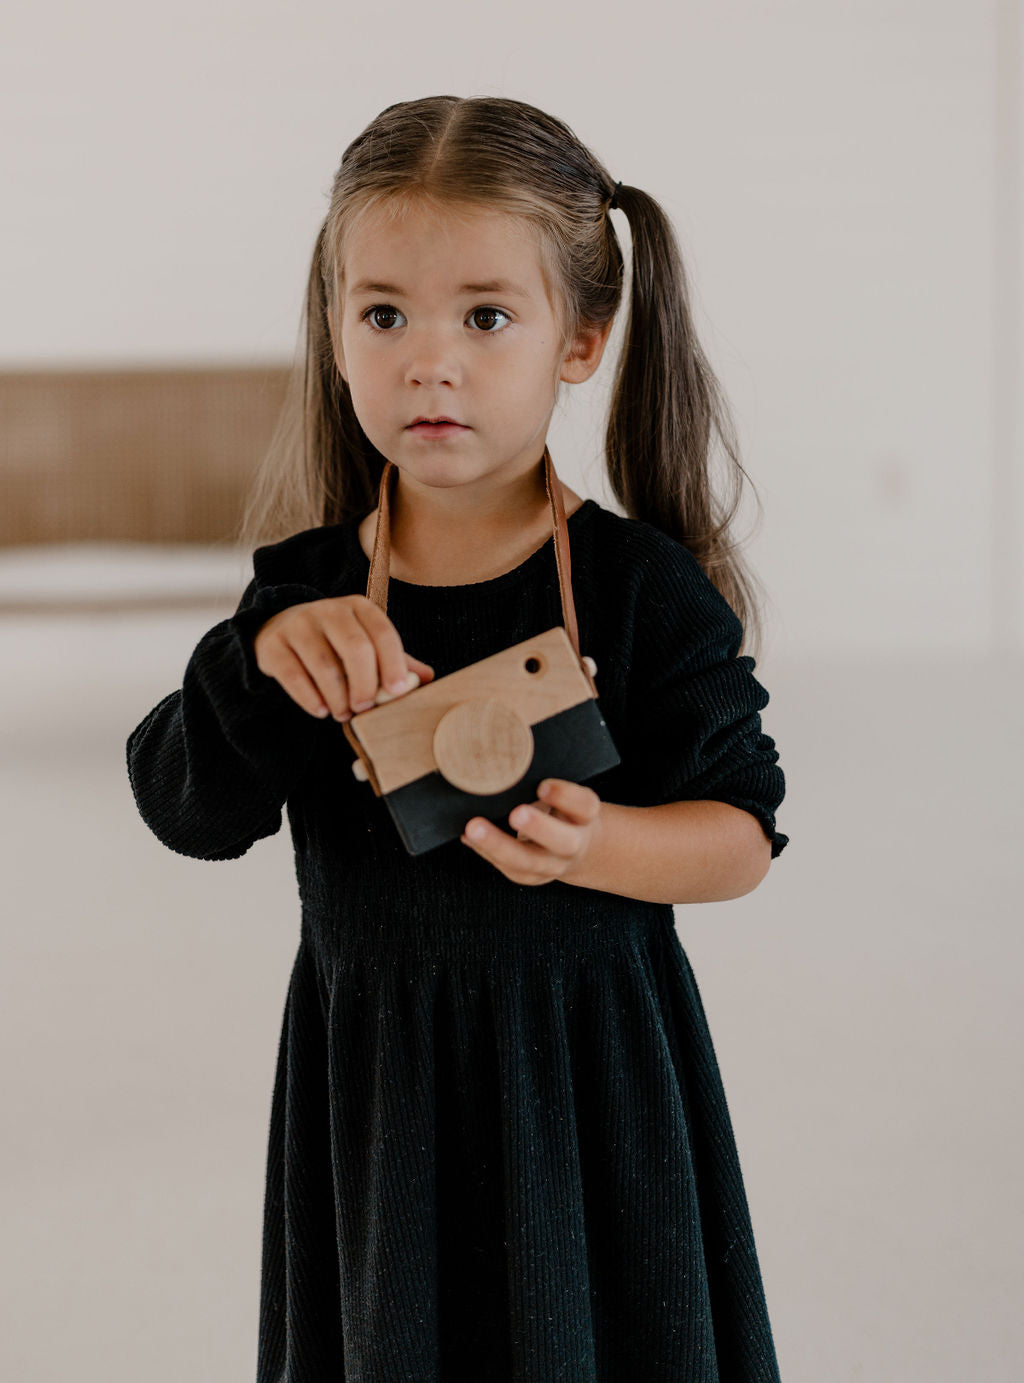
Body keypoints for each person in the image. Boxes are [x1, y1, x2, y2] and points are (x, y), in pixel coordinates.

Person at [126, 94, 790, 1383]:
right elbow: (188, 811)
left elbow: (741, 837)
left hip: (593, 1085)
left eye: (487, 316)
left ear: (581, 339)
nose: (431, 361)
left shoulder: (642, 587)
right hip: (376, 1091)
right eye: (384, 314)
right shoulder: (306, 597)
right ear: (334, 333)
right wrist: (259, 666)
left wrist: (601, 844)